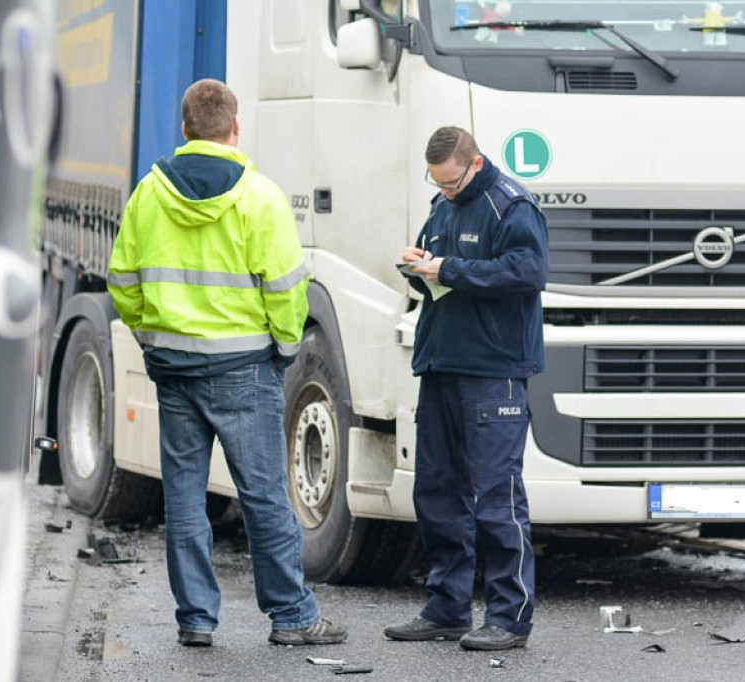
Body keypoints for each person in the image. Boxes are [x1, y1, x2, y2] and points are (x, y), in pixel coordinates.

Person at [107, 79, 346, 648]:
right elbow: (288, 289)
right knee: (263, 493)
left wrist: (150, 335)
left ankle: (195, 619)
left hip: (174, 367)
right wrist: (285, 348)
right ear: (234, 129)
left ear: (184, 128)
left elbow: (122, 280)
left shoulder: (148, 193)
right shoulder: (260, 196)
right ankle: (291, 617)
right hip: (244, 368)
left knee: (185, 496)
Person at [384, 126, 549, 651]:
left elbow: (527, 272)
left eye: (452, 183)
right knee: (436, 493)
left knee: (496, 500)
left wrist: (449, 268)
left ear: (475, 164)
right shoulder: (443, 204)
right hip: (441, 366)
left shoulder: (512, 206)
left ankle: (509, 618)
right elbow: (442, 277)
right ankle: (446, 608)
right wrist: (419, 270)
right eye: (438, 184)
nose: (445, 192)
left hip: (492, 372)